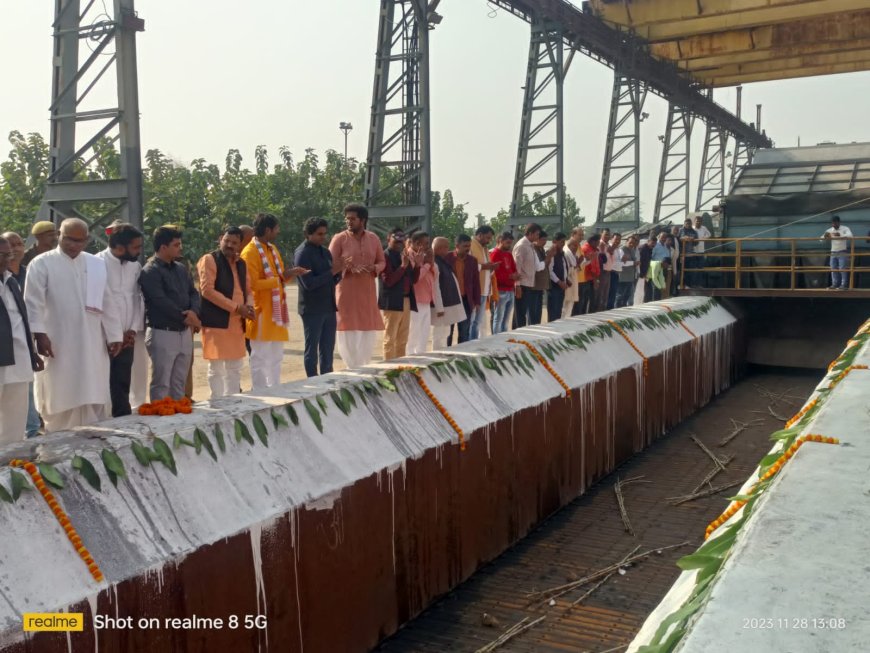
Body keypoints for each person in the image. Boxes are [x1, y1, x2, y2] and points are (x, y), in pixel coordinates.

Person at [25, 218, 122, 431]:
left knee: (94, 388)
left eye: (80, 241)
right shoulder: (41, 263)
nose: (73, 245)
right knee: (60, 390)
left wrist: (115, 335)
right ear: (59, 234)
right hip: (57, 341)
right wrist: (39, 334)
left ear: (86, 240)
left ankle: (94, 436)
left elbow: (107, 300)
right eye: (69, 239)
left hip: (92, 341)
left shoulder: (96, 264)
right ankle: (58, 436)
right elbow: (33, 302)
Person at [241, 213, 307, 390]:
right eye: (276, 228)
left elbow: (280, 276)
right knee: (260, 355)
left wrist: (290, 274)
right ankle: (261, 391)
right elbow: (253, 283)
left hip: (277, 311)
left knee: (276, 355)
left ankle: (275, 388)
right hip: (261, 310)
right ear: (268, 229)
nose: (278, 231)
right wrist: (279, 279)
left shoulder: (272, 249)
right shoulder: (249, 252)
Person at [139, 225, 201, 401]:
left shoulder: (180, 268)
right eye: (176, 244)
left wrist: (194, 312)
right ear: (163, 247)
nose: (180, 247)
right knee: (162, 383)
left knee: (179, 382)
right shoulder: (150, 271)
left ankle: (179, 420)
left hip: (183, 331)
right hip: (163, 332)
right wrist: (187, 317)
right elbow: (160, 301)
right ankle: (161, 422)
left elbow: (193, 293)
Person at [197, 227, 254, 399]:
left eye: (234, 243)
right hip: (216, 321)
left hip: (236, 322)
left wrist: (249, 307)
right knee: (216, 367)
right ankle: (217, 402)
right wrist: (237, 308)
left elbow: (248, 290)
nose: (229, 245)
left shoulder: (241, 263)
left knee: (235, 365)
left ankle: (233, 400)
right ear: (220, 239)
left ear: (239, 245)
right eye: (226, 241)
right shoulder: (209, 259)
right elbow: (207, 290)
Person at [329, 204, 386, 369]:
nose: (349, 222)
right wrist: (346, 267)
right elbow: (330, 264)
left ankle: (363, 367)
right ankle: (352, 368)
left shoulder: (373, 238)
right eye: (347, 218)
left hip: (367, 293)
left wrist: (374, 268)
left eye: (353, 219)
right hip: (346, 292)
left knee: (367, 332)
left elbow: (382, 261)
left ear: (363, 220)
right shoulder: (339, 239)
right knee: (348, 330)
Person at [97, 223, 145, 417]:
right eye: (135, 247)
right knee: (103, 380)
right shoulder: (96, 263)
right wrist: (115, 335)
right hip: (103, 335)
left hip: (128, 336)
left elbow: (137, 298)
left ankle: (122, 417)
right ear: (119, 247)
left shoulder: (135, 265)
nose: (139, 251)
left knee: (122, 379)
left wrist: (132, 331)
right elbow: (102, 301)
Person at [0, 236, 43, 446]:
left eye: (9, 253)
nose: (9, 257)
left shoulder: (11, 282)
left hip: (19, 358)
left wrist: (32, 353)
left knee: (15, 420)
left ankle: (10, 462)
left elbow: (21, 320)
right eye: (4, 254)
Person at [295, 218, 343, 377]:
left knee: (328, 347)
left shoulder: (325, 252)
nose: (323, 237)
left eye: (324, 233)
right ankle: (313, 380)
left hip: (328, 306)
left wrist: (340, 272)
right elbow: (309, 284)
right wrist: (331, 272)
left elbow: (331, 280)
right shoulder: (302, 253)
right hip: (312, 308)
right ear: (307, 234)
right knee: (312, 348)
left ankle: (327, 377)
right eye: (319, 234)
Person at [379, 227, 418, 360]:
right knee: (390, 338)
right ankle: (388, 368)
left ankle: (399, 366)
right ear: (388, 239)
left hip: (406, 300)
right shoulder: (384, 256)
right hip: (392, 302)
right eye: (396, 241)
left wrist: (417, 265)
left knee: (403, 338)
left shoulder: (404, 255)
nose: (399, 244)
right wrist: (402, 266)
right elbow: (388, 281)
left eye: (401, 242)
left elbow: (414, 279)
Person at [430, 237, 467, 348]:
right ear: (440, 248)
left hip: (448, 304)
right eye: (446, 247)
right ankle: (436, 353)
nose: (448, 249)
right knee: (439, 333)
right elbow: (436, 287)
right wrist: (439, 307)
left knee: (446, 332)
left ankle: (442, 351)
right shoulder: (435, 263)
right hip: (441, 305)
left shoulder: (442, 261)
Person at [444, 234, 481, 345]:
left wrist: (477, 301)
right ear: (457, 245)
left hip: (465, 301)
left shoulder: (472, 261)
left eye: (469, 246)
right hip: (450, 301)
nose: (467, 248)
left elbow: (476, 282)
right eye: (465, 246)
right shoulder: (447, 258)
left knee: (464, 332)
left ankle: (461, 356)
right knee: (448, 333)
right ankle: (447, 354)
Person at [407, 232, 437, 355]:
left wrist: (431, 262)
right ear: (417, 243)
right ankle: (409, 355)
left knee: (424, 331)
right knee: (413, 331)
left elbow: (434, 276)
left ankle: (421, 354)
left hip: (426, 299)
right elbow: (416, 278)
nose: (428, 246)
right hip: (415, 299)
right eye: (426, 243)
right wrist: (427, 264)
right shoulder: (408, 255)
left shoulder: (424, 256)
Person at [469, 225, 499, 340]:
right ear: (479, 235)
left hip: (485, 290)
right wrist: (484, 266)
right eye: (487, 238)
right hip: (474, 290)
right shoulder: (470, 245)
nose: (489, 241)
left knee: (478, 321)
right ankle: (468, 345)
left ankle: (474, 343)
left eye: (490, 238)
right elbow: (468, 266)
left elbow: (486, 268)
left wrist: (491, 267)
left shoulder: (485, 248)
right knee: (472, 321)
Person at [512, 223, 545, 328]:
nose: (538, 237)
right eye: (536, 234)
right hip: (522, 284)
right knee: (520, 313)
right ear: (530, 233)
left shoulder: (530, 245)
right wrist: (517, 286)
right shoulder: (522, 246)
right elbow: (517, 267)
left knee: (522, 312)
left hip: (528, 284)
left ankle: (518, 333)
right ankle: (518, 334)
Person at [490, 232, 518, 334]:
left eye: (510, 243)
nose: (509, 245)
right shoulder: (495, 254)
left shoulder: (508, 254)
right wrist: (510, 277)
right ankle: (496, 340)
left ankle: (503, 338)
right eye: (507, 243)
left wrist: (515, 276)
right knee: (498, 318)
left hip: (510, 290)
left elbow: (514, 269)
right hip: (500, 290)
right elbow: (493, 275)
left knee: (506, 319)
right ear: (500, 241)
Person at [822, 215, 853, 290]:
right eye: (833, 223)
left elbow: (850, 235)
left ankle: (843, 285)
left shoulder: (845, 228)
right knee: (833, 268)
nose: (834, 225)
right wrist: (825, 236)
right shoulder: (829, 230)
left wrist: (840, 235)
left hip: (842, 251)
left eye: (835, 223)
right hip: (833, 252)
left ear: (839, 222)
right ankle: (834, 284)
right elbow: (821, 239)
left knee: (842, 268)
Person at [530, 231, 553, 324]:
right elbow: (540, 266)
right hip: (535, 284)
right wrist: (549, 256)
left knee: (539, 308)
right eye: (542, 240)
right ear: (537, 239)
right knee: (534, 308)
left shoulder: (541, 249)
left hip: (541, 285)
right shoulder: (534, 250)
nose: (544, 242)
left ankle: (537, 324)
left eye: (545, 240)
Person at [547, 232, 569, 322]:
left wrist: (566, 280)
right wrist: (559, 282)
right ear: (554, 241)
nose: (563, 244)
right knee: (553, 311)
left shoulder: (561, 253)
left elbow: (564, 268)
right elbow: (550, 271)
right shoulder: (551, 253)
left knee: (558, 311)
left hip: (561, 286)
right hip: (554, 287)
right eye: (561, 242)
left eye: (564, 242)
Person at [577, 234, 601, 314]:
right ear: (593, 241)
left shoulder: (594, 250)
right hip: (587, 278)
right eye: (598, 241)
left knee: (592, 300)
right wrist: (595, 280)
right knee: (585, 300)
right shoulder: (586, 249)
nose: (599, 243)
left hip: (592, 278)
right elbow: (590, 267)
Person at [615, 234, 639, 308]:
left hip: (630, 277)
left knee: (627, 295)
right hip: (622, 277)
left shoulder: (632, 250)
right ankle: (617, 310)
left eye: (633, 243)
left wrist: (635, 263)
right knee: (620, 296)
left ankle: (623, 309)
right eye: (630, 242)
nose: (631, 244)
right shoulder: (621, 250)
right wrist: (633, 263)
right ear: (626, 242)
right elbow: (622, 263)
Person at [678, 218, 699, 288]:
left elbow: (697, 243)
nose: (688, 225)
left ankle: (688, 285)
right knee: (681, 270)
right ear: (684, 224)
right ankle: (681, 284)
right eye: (687, 224)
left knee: (690, 270)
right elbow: (677, 239)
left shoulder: (694, 231)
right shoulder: (680, 230)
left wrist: (693, 240)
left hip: (690, 254)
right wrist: (683, 238)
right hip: (682, 254)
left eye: (689, 224)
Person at [561, 238, 579, 319]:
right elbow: (567, 269)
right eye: (574, 245)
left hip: (573, 280)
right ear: (569, 245)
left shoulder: (573, 254)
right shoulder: (566, 253)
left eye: (577, 246)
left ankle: (567, 319)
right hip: (567, 280)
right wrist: (575, 266)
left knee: (570, 303)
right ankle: (562, 320)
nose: (576, 247)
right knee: (565, 303)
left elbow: (576, 268)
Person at [693, 214, 712, 286]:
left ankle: (699, 284)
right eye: (697, 221)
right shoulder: (692, 228)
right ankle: (693, 284)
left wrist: (704, 238)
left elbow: (709, 234)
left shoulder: (704, 228)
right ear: (694, 222)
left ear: (701, 222)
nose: (698, 222)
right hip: (693, 251)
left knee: (700, 268)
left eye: (700, 221)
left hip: (701, 251)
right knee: (693, 268)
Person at [606, 233, 623, 310]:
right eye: (616, 239)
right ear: (611, 238)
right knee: (609, 293)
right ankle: (607, 309)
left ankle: (610, 309)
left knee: (613, 293)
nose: (618, 241)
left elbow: (622, 260)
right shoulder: (609, 247)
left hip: (616, 273)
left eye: (619, 239)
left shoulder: (618, 249)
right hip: (610, 272)